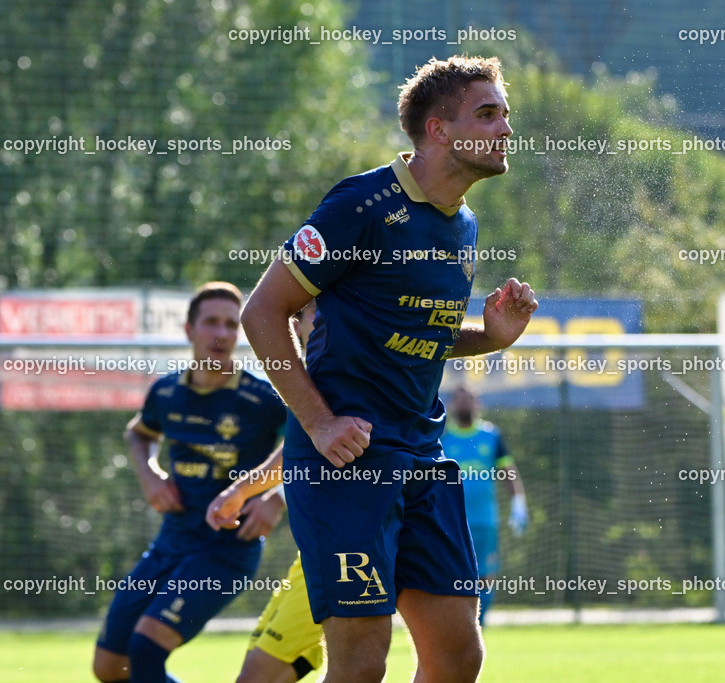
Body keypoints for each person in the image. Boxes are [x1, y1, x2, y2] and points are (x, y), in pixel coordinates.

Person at [241, 55, 538, 683]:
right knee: (361, 660)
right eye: (488, 114)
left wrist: (492, 336)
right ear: (438, 129)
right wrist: (319, 423)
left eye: (505, 114)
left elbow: (420, 334)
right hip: (346, 462)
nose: (506, 128)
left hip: (423, 455)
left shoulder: (463, 224)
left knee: (458, 655)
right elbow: (262, 311)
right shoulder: (361, 204)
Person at [93, 282, 288, 683]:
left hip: (227, 549)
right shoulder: (166, 392)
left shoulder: (264, 398)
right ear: (188, 330)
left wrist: (277, 497)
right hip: (173, 539)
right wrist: (150, 475)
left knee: (145, 649)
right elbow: (139, 433)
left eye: (231, 325)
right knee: (110, 667)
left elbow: (309, 445)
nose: (222, 333)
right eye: (212, 322)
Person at [206, 300, 324, 683]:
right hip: (314, 555)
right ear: (296, 324)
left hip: (344, 552)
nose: (325, 318)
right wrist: (242, 491)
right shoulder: (309, 378)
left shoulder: (343, 374)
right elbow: (298, 448)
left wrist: (271, 497)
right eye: (315, 311)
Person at [441, 383, 528, 625]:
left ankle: (480, 626)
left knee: (485, 576)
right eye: (459, 400)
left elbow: (508, 471)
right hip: (451, 522)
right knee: (451, 574)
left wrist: (519, 504)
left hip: (484, 521)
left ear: (477, 403)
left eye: (468, 399)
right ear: (451, 405)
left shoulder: (491, 436)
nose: (464, 404)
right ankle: (455, 625)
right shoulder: (442, 439)